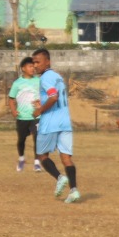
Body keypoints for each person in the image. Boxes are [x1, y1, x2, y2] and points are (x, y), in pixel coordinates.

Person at [32, 49, 80, 203]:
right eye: (33, 62)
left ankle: (60, 178)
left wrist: (40, 110)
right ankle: (74, 190)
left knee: (42, 155)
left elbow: (53, 97)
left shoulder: (45, 78)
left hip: (50, 123)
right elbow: (55, 97)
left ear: (48, 62)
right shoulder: (58, 77)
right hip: (64, 122)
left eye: (38, 62)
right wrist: (42, 103)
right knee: (66, 158)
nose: (35, 65)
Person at [8, 57, 43, 171]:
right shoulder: (17, 83)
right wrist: (13, 111)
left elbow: (45, 95)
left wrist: (41, 103)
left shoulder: (38, 81)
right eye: (30, 66)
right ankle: (21, 159)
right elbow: (11, 99)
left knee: (37, 139)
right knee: (21, 140)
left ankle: (37, 163)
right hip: (22, 117)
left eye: (33, 66)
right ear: (23, 68)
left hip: (36, 116)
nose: (33, 68)